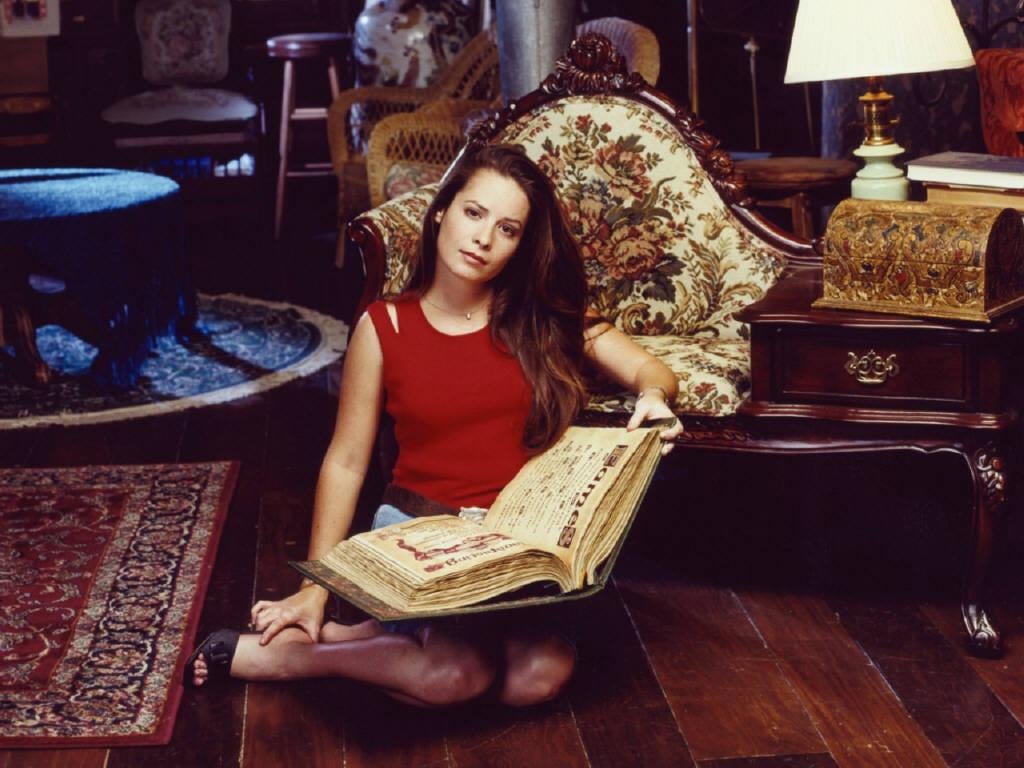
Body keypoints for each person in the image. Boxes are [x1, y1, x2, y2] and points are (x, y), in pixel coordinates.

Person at [187, 144, 683, 707]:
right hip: (420, 531)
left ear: (520, 245)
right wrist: (315, 588)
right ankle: (299, 658)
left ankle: (367, 638)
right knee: (455, 675)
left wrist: (653, 396)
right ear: (442, 211)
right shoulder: (385, 326)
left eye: (507, 229)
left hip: (516, 543)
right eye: (474, 213)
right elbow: (346, 462)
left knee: (538, 677)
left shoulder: (540, 318)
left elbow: (650, 370)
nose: (483, 239)